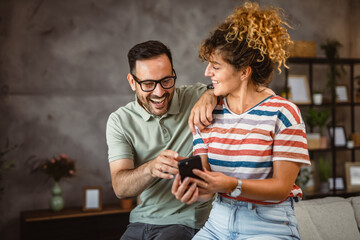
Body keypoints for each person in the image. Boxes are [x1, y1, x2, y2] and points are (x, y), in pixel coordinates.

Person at [172, 2, 310, 239]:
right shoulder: (207, 113)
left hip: (268, 223)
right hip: (218, 221)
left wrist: (231, 185)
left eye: (215, 66)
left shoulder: (284, 113)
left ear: (244, 72)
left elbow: (281, 189)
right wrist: (193, 188)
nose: (207, 73)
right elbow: (208, 186)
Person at [106, 40, 219, 240]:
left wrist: (211, 93)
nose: (159, 93)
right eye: (148, 84)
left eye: (166, 80)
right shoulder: (120, 121)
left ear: (173, 74)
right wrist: (151, 168)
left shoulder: (195, 97)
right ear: (132, 82)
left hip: (187, 222)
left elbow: (235, 84)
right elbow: (120, 188)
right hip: (140, 221)